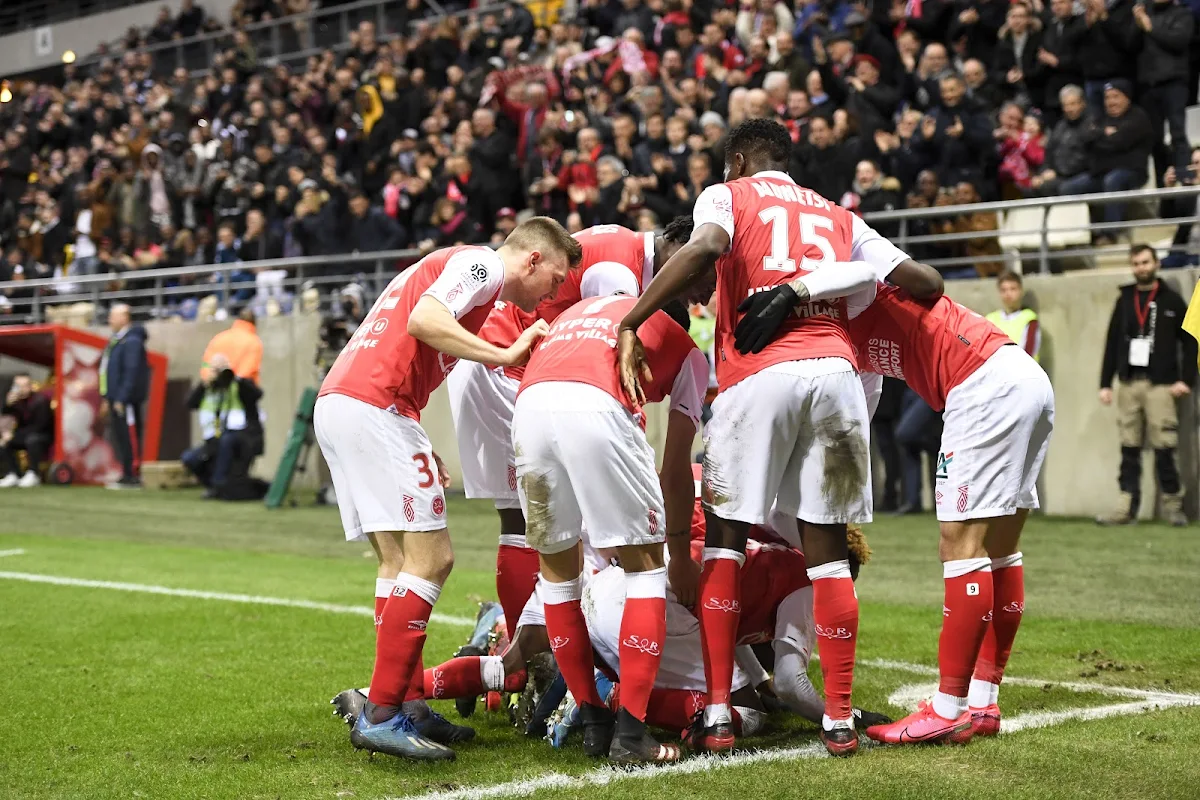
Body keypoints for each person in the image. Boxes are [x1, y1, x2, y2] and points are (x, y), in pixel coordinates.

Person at [615, 118, 943, 757]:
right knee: (827, 553)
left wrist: (635, 316)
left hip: (758, 376)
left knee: (727, 545)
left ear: (736, 159)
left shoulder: (726, 194)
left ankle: (716, 713)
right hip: (836, 374)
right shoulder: (839, 215)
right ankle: (840, 721)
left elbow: (706, 246)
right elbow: (923, 283)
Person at [735, 280, 1054, 744]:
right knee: (1001, 549)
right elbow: (852, 417)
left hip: (981, 385)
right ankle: (983, 701)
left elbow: (897, 270)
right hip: (1023, 380)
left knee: (960, 547)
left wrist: (795, 290)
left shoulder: (854, 281)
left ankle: (947, 709)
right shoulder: (839, 349)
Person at [313, 217, 582, 762]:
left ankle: (407, 700)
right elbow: (423, 320)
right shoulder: (479, 264)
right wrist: (505, 356)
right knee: (433, 559)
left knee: (395, 560)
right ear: (531, 259)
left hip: (346, 402)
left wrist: (409, 433)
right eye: (554, 279)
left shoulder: (449, 269)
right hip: (375, 406)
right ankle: (383, 712)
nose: (554, 292)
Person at [446, 220, 693, 650]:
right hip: (508, 360)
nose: (700, 290)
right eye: (701, 272)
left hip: (498, 359)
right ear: (679, 247)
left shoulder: (621, 249)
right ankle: (519, 646)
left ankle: (513, 639)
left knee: (525, 522)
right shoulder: (621, 267)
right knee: (564, 529)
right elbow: (605, 355)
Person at [512, 295, 707, 764]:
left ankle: (593, 717)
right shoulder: (688, 350)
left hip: (530, 407)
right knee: (645, 570)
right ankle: (632, 733)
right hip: (595, 407)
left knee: (558, 577)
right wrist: (678, 556)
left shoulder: (586, 309)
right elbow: (675, 465)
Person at [1097, 245, 1197, 526]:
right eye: (1136, 263)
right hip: (1129, 384)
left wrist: (1186, 379)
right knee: (1129, 447)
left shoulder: (1172, 300)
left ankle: (1173, 506)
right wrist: (1105, 383)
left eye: (1145, 262)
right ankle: (1125, 507)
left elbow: (1191, 341)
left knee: (1165, 445)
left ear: (1156, 264)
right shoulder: (1125, 299)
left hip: (1161, 386)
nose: (1141, 267)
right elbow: (1112, 341)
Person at [181, 354, 264, 499]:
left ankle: (218, 485)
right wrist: (204, 383)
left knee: (227, 440)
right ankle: (214, 486)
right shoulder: (207, 388)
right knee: (189, 458)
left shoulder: (238, 385)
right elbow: (190, 403)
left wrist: (233, 377)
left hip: (240, 437)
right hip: (214, 439)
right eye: (216, 369)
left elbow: (256, 394)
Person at [100, 304, 150, 490]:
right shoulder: (117, 340)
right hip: (116, 398)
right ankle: (126, 472)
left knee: (130, 435)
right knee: (121, 436)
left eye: (113, 316)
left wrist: (122, 397)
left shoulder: (132, 341)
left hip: (126, 400)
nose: (110, 320)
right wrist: (107, 397)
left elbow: (131, 372)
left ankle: (133, 475)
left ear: (124, 318)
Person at [0, 374, 53, 488]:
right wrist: (8, 404)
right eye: (18, 386)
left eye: (25, 386)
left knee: (32, 440)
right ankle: (13, 474)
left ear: (30, 386)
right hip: (24, 434)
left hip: (42, 436)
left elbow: (40, 426)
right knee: (4, 443)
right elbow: (6, 414)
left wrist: (15, 435)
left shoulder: (40, 400)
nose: (22, 389)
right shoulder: (17, 401)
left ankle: (33, 474)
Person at [987, 272, 1041, 361]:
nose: (1008, 294)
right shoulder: (990, 319)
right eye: (1003, 290)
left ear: (1020, 291)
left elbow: (1029, 353)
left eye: (1013, 289)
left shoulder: (1029, 318)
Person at [201, 307, 263, 384]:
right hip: (241, 392)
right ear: (254, 323)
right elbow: (248, 370)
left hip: (215, 389)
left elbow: (206, 363)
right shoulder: (254, 342)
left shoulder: (219, 337)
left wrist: (208, 378)